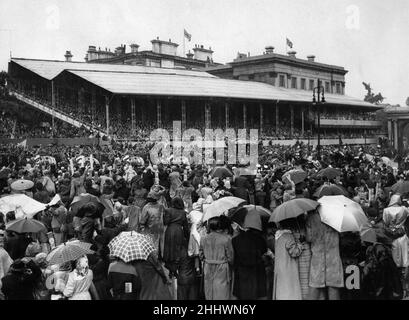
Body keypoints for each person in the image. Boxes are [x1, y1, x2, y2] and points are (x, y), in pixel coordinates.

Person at [306, 211, 344, 300]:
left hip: (318, 258)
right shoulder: (336, 216)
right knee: (333, 288)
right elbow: (341, 234)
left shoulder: (311, 217)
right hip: (333, 258)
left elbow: (309, 238)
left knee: (315, 287)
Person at [200, 217, 234, 300]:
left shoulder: (203, 239)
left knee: (209, 291)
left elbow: (201, 255)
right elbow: (231, 257)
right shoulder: (226, 239)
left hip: (208, 267)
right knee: (221, 291)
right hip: (222, 268)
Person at [232, 224, 268, 300]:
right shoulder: (260, 239)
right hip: (257, 270)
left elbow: (233, 256)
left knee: (242, 293)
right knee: (257, 293)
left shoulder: (235, 240)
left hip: (241, 271)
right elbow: (264, 251)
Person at [273, 218, 303, 300]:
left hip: (280, 269)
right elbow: (294, 252)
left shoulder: (278, 236)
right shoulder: (288, 236)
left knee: (281, 291)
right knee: (289, 292)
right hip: (288, 270)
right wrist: (299, 244)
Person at [163, 197, 189, 277]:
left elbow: (165, 222)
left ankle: (171, 269)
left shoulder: (168, 210)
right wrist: (187, 236)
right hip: (179, 231)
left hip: (170, 231)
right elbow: (185, 226)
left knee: (169, 249)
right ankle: (175, 269)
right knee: (177, 250)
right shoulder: (183, 212)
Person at [139, 190, 165, 256]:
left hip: (151, 230)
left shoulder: (146, 207)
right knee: (159, 245)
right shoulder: (161, 206)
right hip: (160, 229)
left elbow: (142, 221)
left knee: (151, 247)